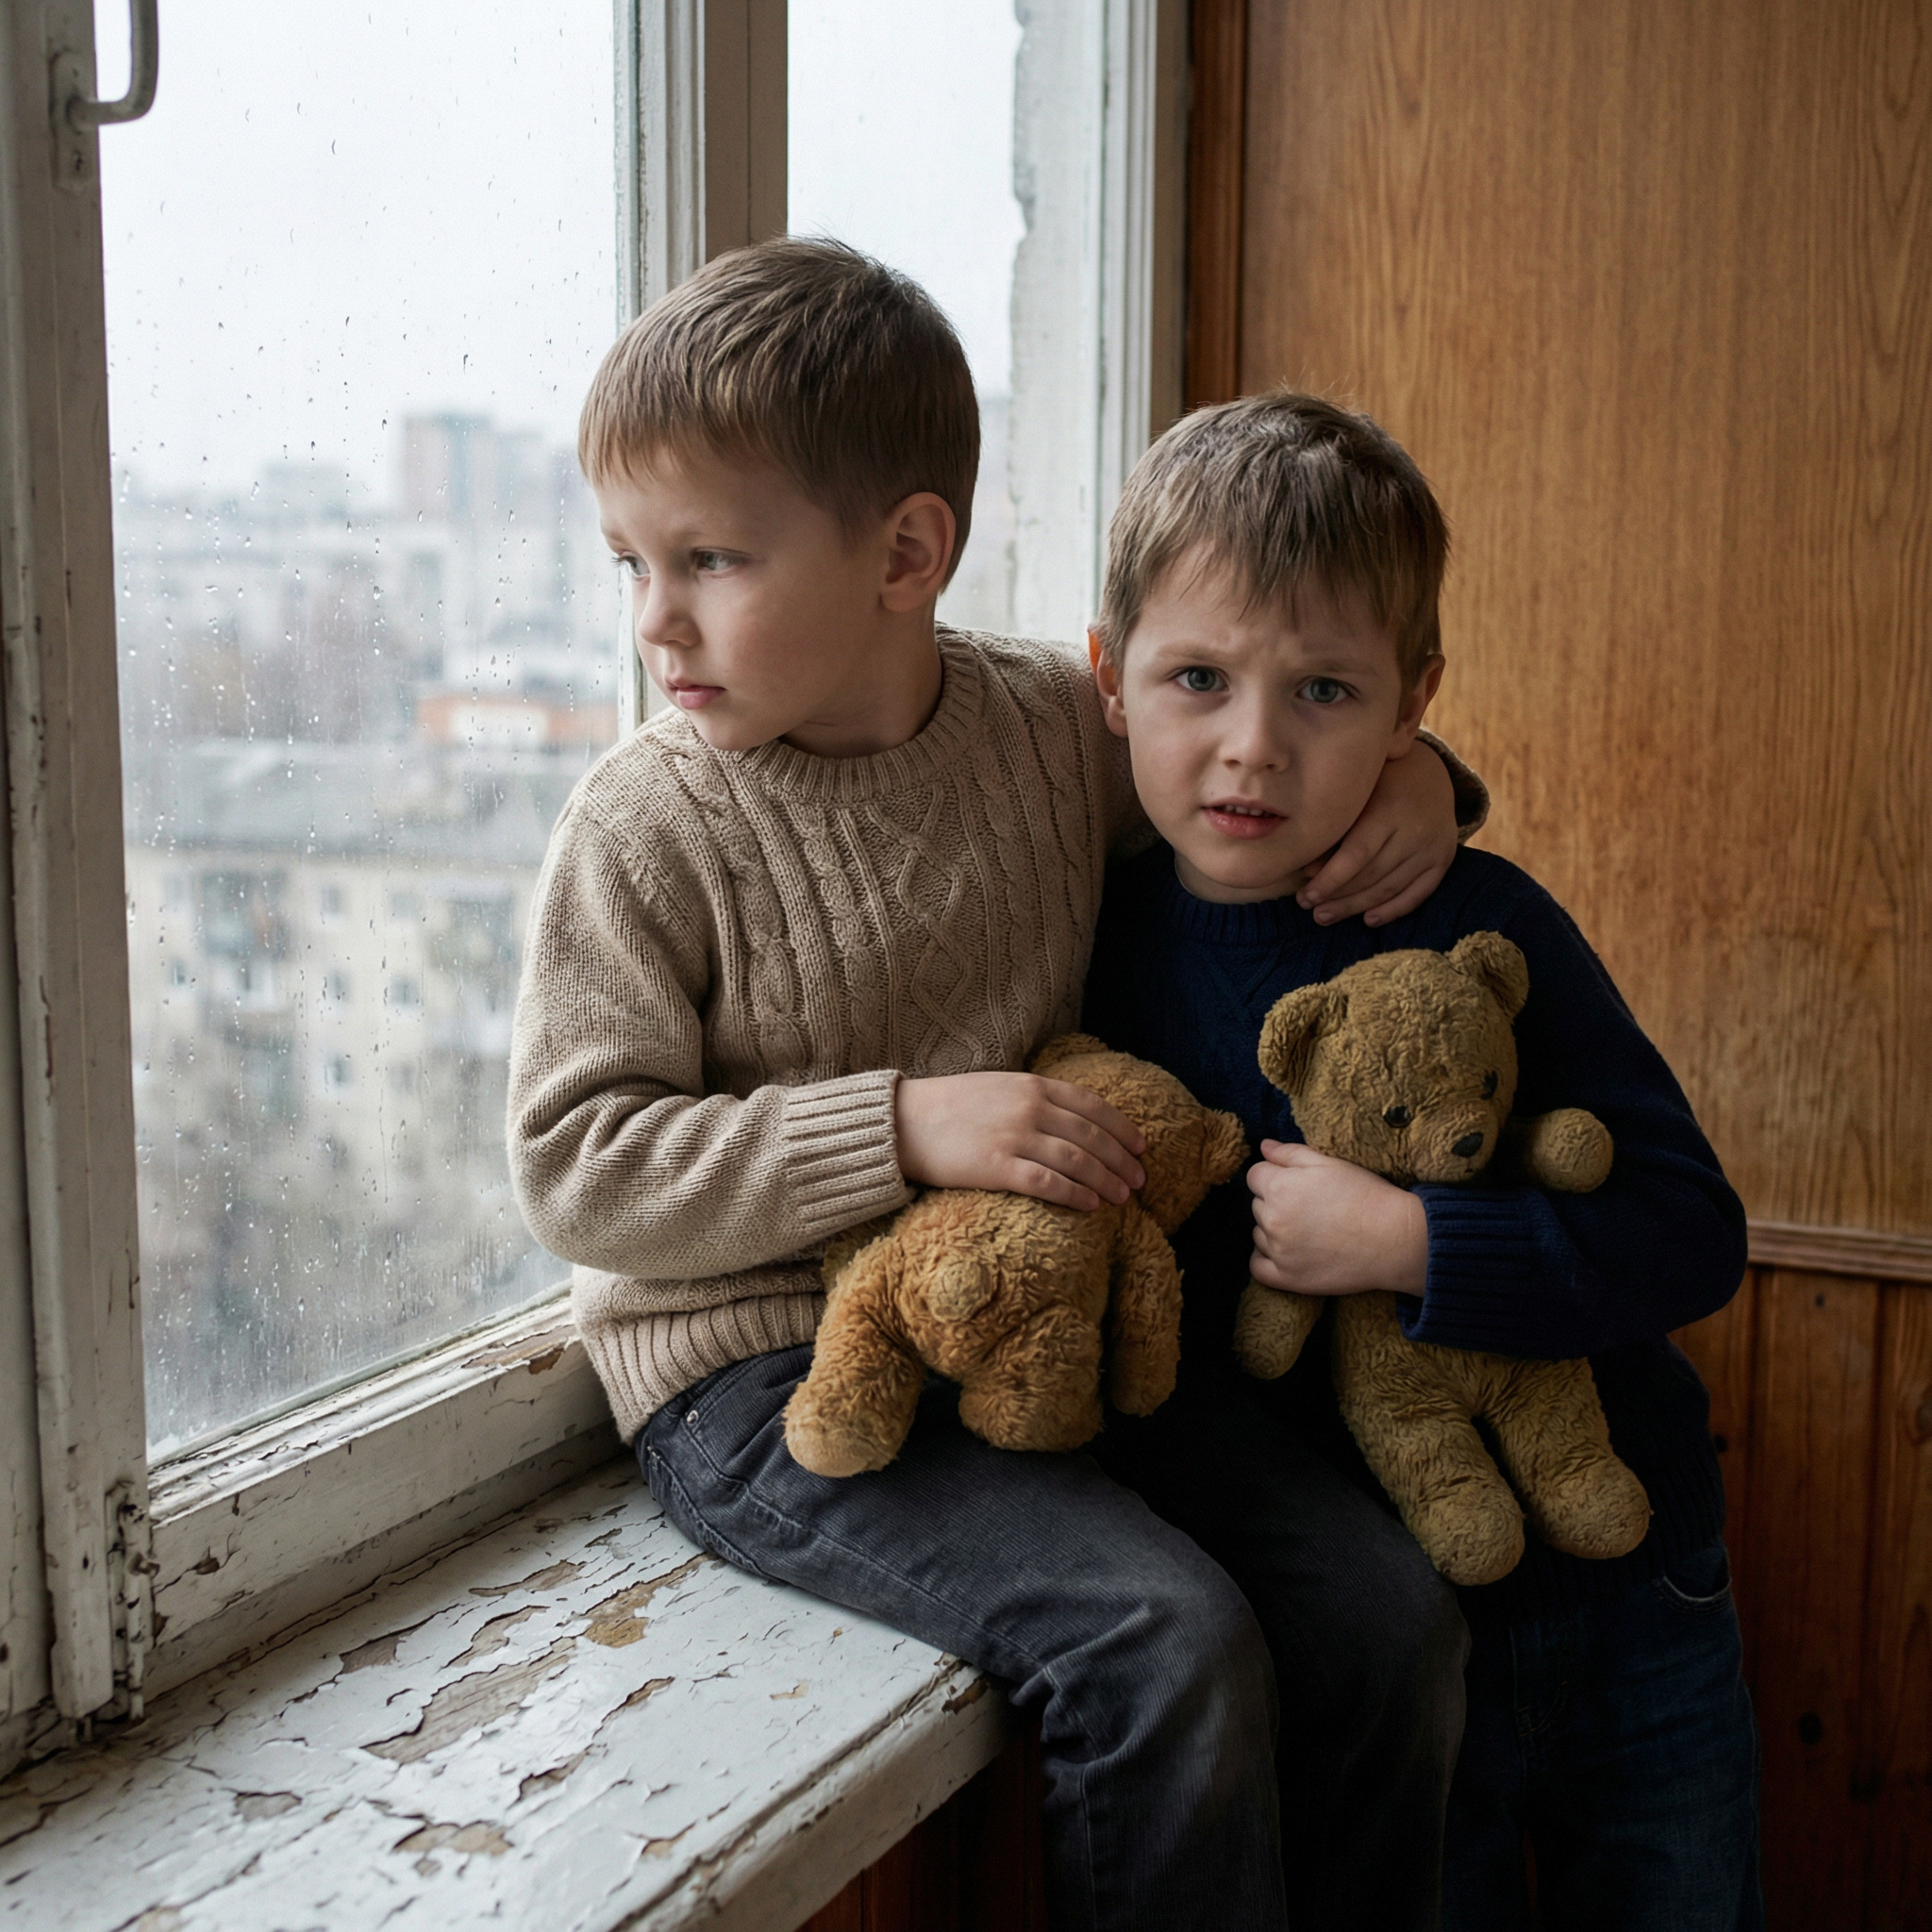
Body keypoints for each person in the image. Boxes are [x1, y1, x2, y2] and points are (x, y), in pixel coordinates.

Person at [507, 239, 1485, 1932]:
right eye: (631, 563)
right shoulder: (644, 827)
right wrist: (894, 1125)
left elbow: (1232, 760)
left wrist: (1429, 780)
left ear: (907, 551)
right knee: (1161, 1646)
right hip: (763, 1376)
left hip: (1042, 1329)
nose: (655, 619)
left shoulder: (1046, 732)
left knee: (1393, 1617)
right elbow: (577, 1166)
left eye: (711, 560)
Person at [1079, 389, 1763, 1932]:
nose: (1251, 747)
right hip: (1379, 1629)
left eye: (1326, 692)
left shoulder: (1482, 922)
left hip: (1628, 1594)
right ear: (1112, 680)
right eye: (1200, 678)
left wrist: (1415, 1249)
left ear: (1413, 705)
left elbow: (1691, 1232)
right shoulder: (1098, 945)